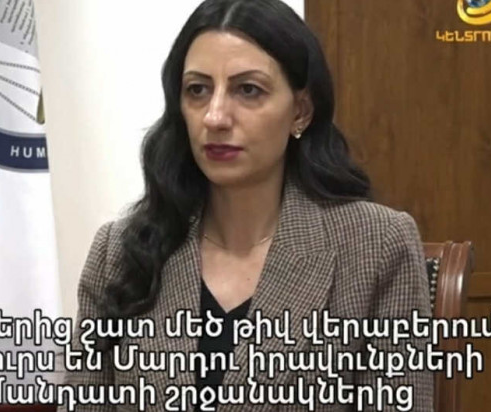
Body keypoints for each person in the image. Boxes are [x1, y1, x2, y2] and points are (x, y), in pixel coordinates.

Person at [59, 0, 434, 411]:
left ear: (301, 112)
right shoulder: (118, 252)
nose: (215, 116)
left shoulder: (376, 246)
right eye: (198, 90)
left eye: (248, 90)